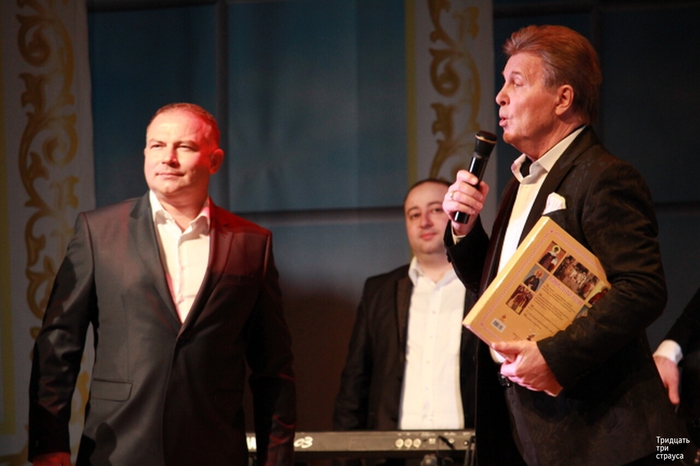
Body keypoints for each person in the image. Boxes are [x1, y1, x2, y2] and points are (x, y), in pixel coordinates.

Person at [442, 25, 681, 466]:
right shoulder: (522, 181)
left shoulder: (604, 176)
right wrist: (465, 230)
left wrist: (553, 355)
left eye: (516, 83)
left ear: (563, 98)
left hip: (607, 440)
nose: (499, 96)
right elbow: (493, 292)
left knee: (677, 455)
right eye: (502, 82)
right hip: (529, 434)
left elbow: (643, 288)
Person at [28, 103, 296, 466]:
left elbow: (273, 370)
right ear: (145, 153)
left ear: (214, 161)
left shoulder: (252, 244)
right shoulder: (98, 232)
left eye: (184, 147)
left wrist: (275, 459)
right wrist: (49, 443)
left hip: (214, 450)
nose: (168, 158)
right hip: (117, 449)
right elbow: (59, 344)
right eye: (157, 145)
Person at [333, 179, 484, 461]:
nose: (424, 221)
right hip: (394, 456)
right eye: (414, 214)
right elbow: (354, 385)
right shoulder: (379, 291)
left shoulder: (486, 286)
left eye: (436, 210)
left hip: (471, 454)